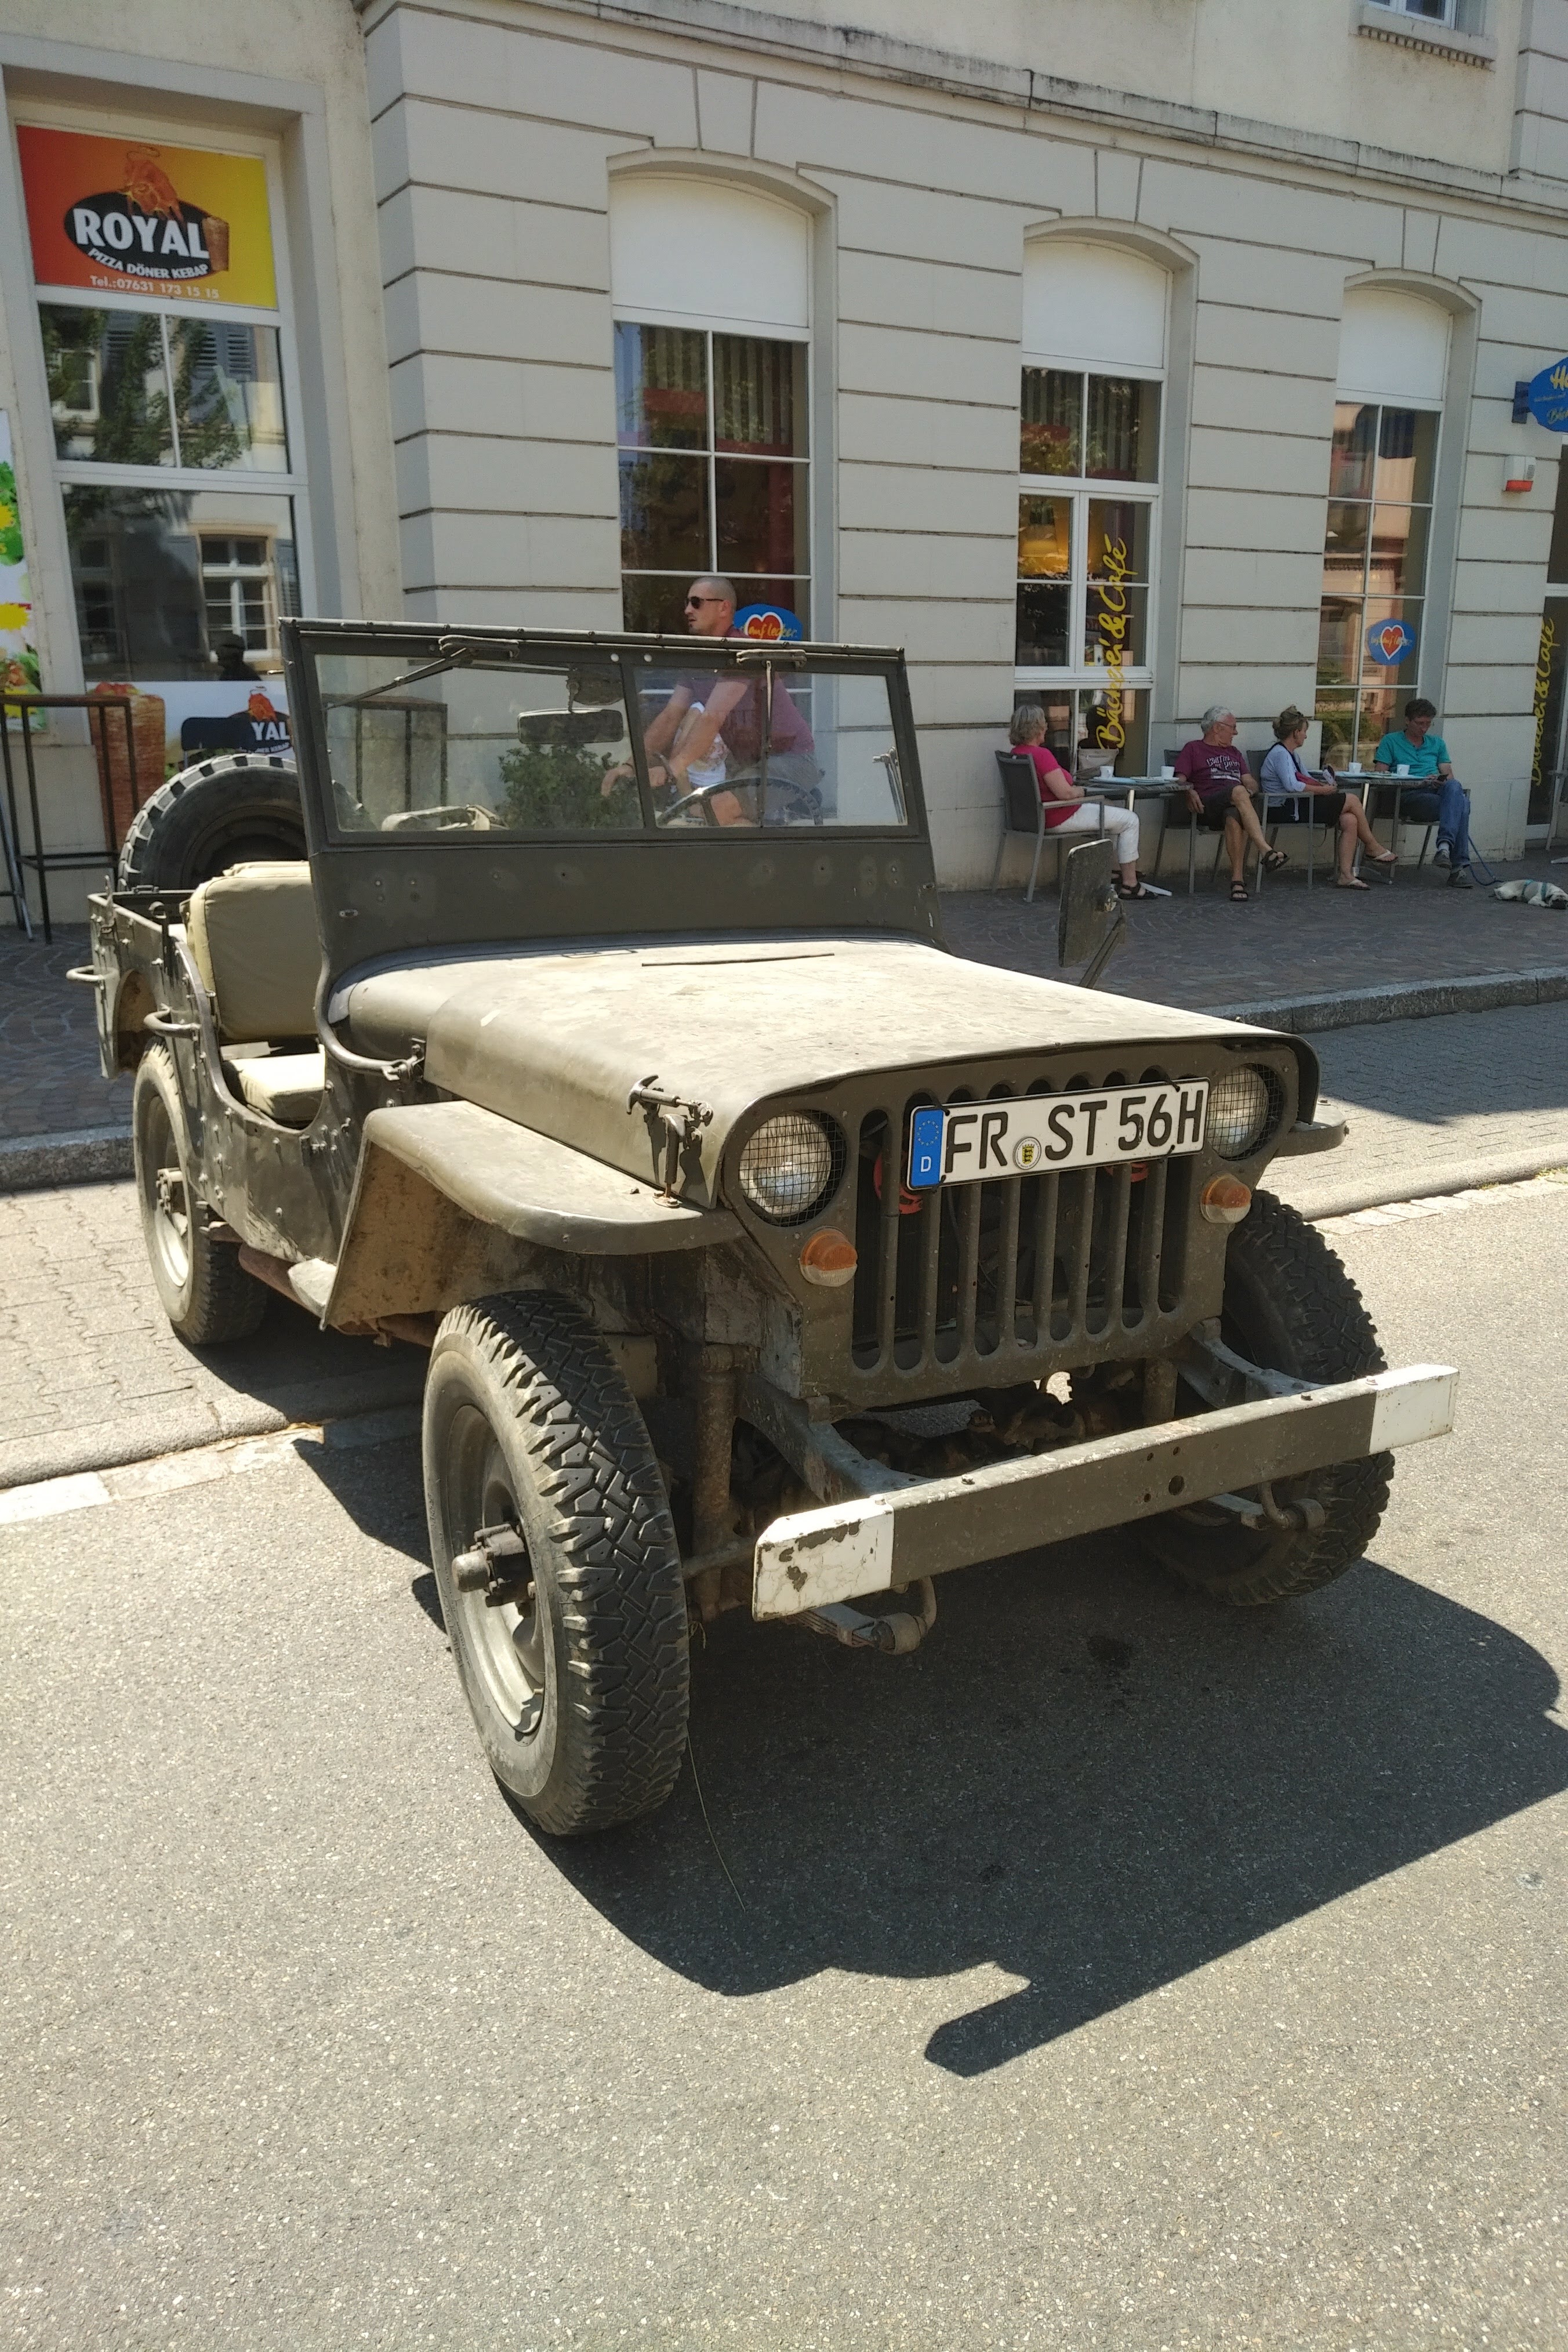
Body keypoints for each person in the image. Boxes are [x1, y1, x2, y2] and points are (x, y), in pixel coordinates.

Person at [609, 574, 817, 823]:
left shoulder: (742, 652)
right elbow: (670, 716)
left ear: (724, 608)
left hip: (791, 759)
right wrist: (632, 766)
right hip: (750, 763)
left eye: (696, 603)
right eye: (687, 603)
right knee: (708, 815)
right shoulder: (699, 659)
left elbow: (712, 717)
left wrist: (672, 769)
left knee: (712, 810)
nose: (688, 610)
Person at [1007, 706, 1152, 898]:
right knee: (1130, 820)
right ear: (1037, 728)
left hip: (1034, 817)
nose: (1047, 727)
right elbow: (1066, 794)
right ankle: (1130, 885)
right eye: (1044, 723)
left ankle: (1114, 871)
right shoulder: (1041, 755)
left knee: (1111, 809)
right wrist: (1082, 791)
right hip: (1058, 815)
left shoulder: (1016, 753)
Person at [1259, 707, 1396, 890]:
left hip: (1297, 804)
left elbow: (1306, 778)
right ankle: (1372, 846)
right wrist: (1322, 791)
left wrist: (1324, 784)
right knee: (1352, 800)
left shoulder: (1292, 754)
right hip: (1284, 808)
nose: (1306, 736)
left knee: (1350, 820)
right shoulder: (1280, 754)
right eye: (1304, 731)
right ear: (1296, 732)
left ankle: (1346, 875)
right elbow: (1292, 785)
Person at [1173, 705, 1287, 902]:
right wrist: (1189, 791)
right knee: (1238, 792)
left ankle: (1237, 882)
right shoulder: (1193, 748)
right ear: (1217, 728)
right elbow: (1179, 780)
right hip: (1207, 804)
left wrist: (1248, 791)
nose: (1236, 732)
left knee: (1233, 816)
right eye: (1233, 727)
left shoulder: (1234, 752)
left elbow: (1249, 781)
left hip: (1234, 803)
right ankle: (1266, 850)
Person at [1372, 698, 1474, 887]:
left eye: (1428, 724)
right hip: (1409, 795)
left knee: (1455, 787)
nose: (1424, 728)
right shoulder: (1391, 741)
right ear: (1407, 721)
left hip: (1436, 792)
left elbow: (1449, 777)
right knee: (1463, 805)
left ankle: (1444, 848)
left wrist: (1439, 780)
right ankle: (1456, 867)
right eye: (1420, 723)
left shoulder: (1437, 743)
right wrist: (1414, 780)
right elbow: (1380, 775)